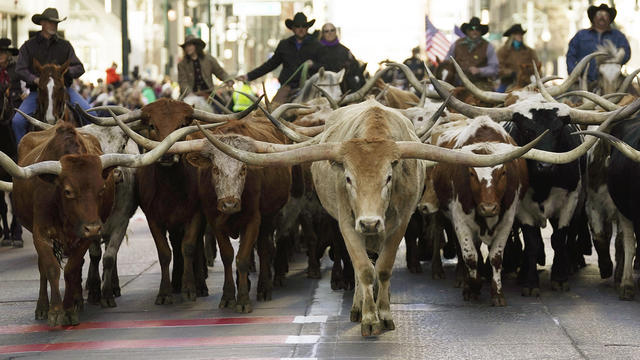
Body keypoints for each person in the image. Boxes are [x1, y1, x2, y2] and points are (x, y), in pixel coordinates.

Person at [12, 8, 92, 143]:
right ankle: (23, 155)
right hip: (37, 92)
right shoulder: (28, 46)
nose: (54, 26)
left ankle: (89, 150)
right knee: (17, 122)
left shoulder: (65, 45)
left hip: (63, 90)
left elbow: (79, 67)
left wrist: (62, 74)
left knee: (91, 114)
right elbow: (20, 68)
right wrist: (35, 79)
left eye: (56, 23)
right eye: (51, 22)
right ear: (42, 23)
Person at [236, 12, 325, 104]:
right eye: (298, 26)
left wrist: (313, 65)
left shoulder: (317, 45)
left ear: (307, 28)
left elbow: (325, 65)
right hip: (288, 86)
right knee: (274, 110)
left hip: (309, 86)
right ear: (293, 28)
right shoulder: (284, 44)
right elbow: (270, 64)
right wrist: (248, 76)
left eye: (304, 26)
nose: (301, 29)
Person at [566, 3, 630, 85]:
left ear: (610, 19)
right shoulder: (581, 35)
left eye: (606, 15)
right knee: (568, 97)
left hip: (612, 81)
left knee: (632, 95)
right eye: (599, 14)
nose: (602, 17)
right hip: (584, 82)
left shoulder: (618, 36)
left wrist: (617, 59)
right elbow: (570, 55)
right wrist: (573, 75)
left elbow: (626, 52)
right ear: (593, 18)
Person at [444, 17, 498, 90]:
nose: (474, 31)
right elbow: (446, 63)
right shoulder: (456, 44)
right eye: (471, 29)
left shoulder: (488, 46)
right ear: (467, 31)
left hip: (480, 85)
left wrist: (480, 70)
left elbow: (494, 69)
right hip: (457, 84)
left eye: (478, 29)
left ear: (481, 32)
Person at [497, 24, 540, 92]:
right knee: (499, 95)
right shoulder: (503, 51)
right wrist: (510, 72)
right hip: (508, 81)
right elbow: (498, 67)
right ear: (512, 36)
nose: (520, 36)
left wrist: (526, 72)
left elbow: (537, 66)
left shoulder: (529, 51)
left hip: (527, 82)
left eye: (521, 34)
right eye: (517, 34)